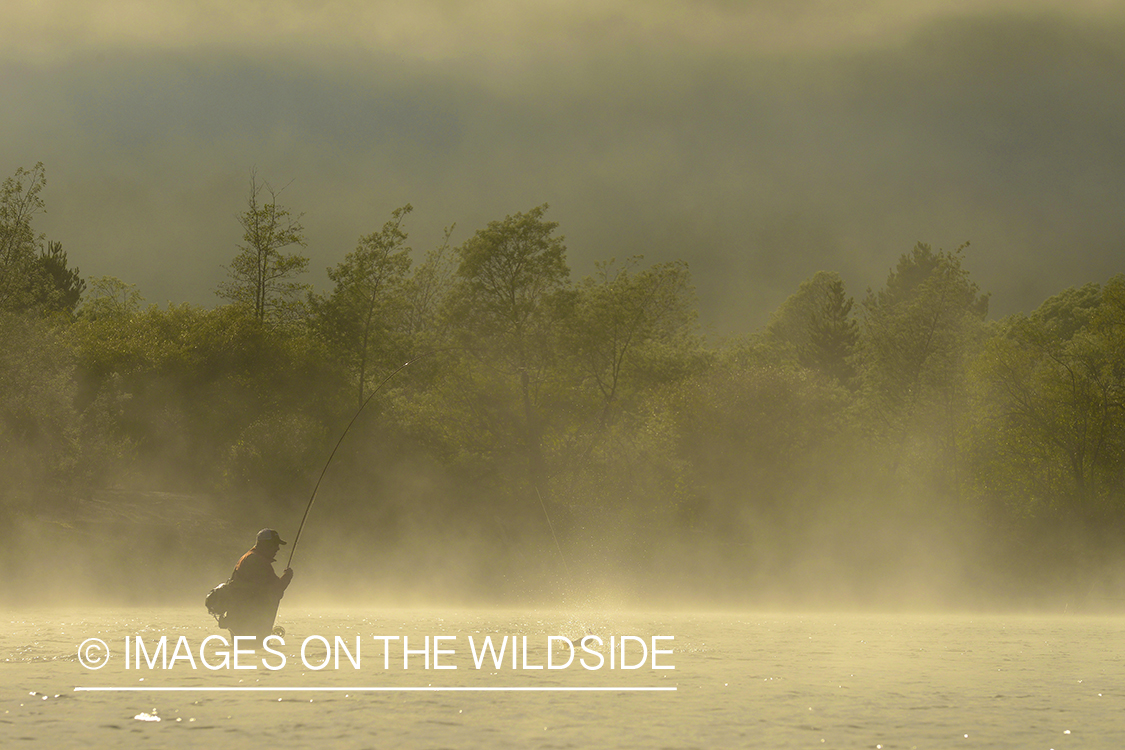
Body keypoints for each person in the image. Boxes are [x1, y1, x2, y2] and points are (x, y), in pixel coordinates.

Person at [225, 528, 294, 645]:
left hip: (240, 617)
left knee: (243, 653)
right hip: (249, 619)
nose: (278, 548)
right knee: (252, 650)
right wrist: (288, 577)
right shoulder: (257, 561)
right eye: (275, 544)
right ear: (264, 544)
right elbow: (276, 590)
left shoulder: (249, 557)